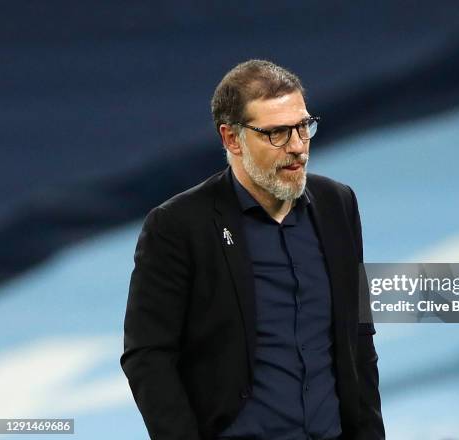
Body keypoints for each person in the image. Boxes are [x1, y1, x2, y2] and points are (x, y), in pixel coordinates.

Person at [120, 59, 384, 440]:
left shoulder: (337, 204)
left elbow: (358, 336)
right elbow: (148, 355)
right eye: (276, 133)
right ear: (231, 139)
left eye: (302, 127)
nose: (297, 148)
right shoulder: (179, 226)